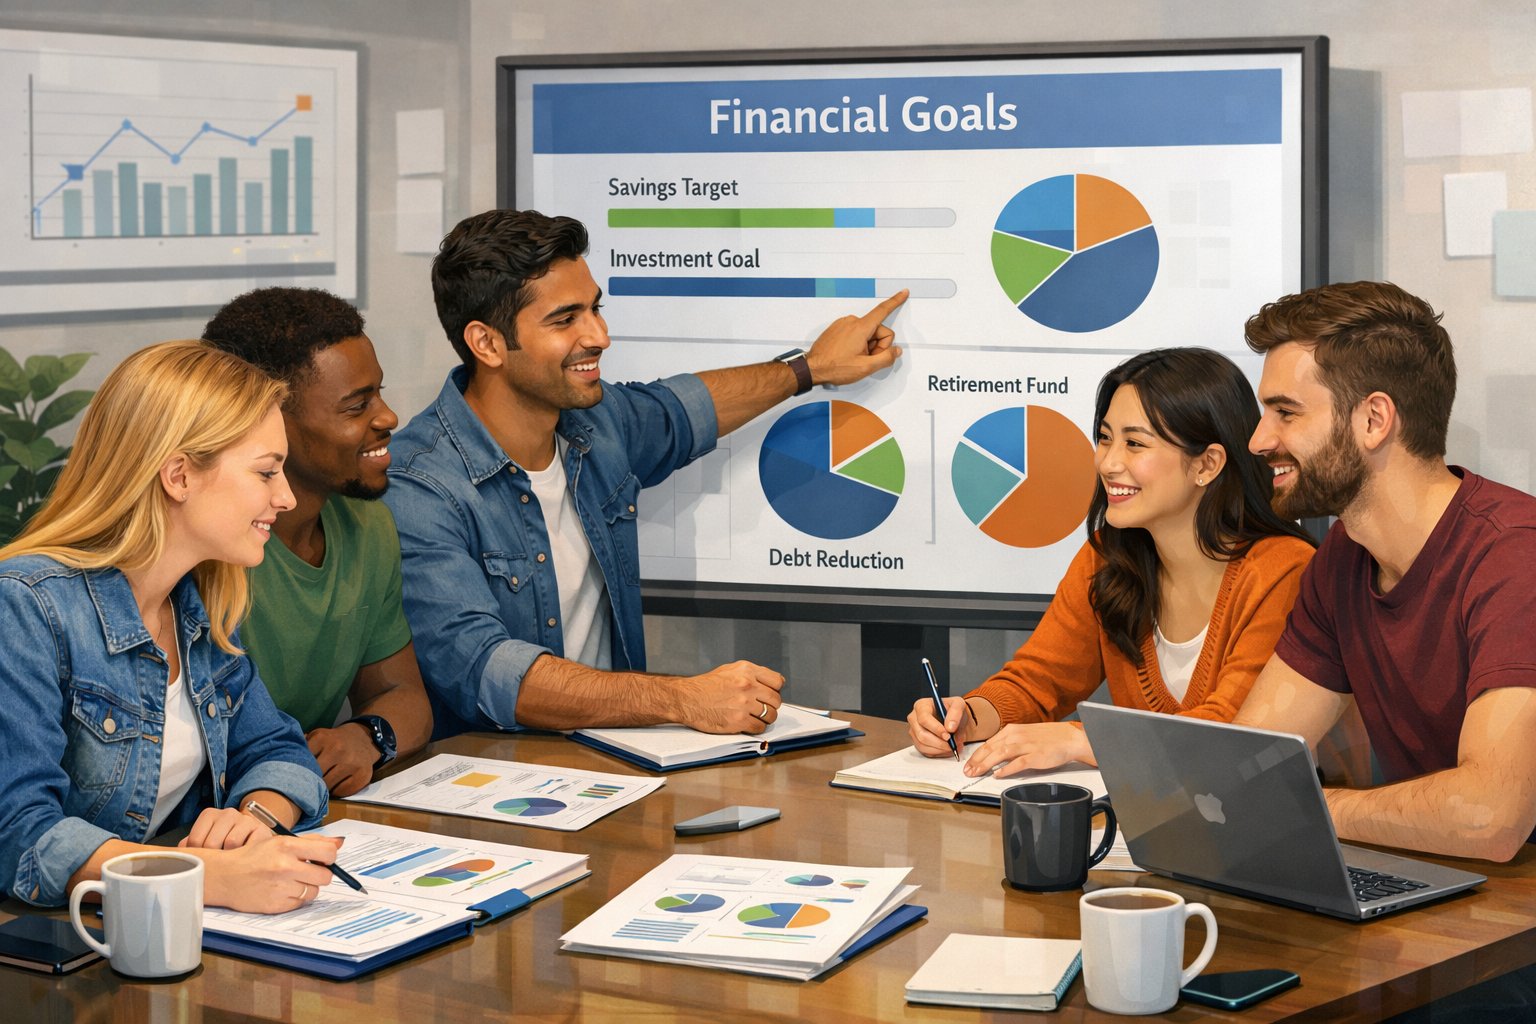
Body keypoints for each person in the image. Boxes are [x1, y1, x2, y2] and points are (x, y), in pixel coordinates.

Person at [384, 208, 905, 738]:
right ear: (487, 343)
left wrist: (811, 368)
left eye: (595, 309)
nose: (599, 336)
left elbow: (685, 410)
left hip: (611, 760)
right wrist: (682, 699)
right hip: (493, 772)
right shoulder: (418, 487)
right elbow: (486, 669)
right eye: (565, 320)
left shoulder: (595, 422)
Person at [0, 341, 338, 913]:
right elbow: (19, 834)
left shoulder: (196, 601)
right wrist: (208, 875)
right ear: (179, 475)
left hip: (153, 926)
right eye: (266, 472)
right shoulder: (25, 606)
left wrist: (254, 817)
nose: (285, 497)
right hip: (52, 948)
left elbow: (278, 748)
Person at [1232, 281, 1536, 862]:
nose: (1258, 440)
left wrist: (1306, 809)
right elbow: (1254, 758)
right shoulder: (1342, 558)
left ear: (1374, 419)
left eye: (1285, 413)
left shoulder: (1516, 556)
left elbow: (1491, 817)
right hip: (1443, 881)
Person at [908, 347, 1315, 777]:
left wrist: (1083, 741)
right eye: (1105, 438)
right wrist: (967, 716)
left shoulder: (1284, 570)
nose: (1108, 462)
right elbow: (1039, 680)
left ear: (1207, 464)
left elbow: (1233, 733)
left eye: (1134, 443)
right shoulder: (1107, 557)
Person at [203, 288, 433, 796]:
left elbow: (405, 696)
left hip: (297, 805)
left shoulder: (368, 525)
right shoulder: (210, 548)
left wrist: (366, 738)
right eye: (357, 406)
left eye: (378, 394)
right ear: (272, 422)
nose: (388, 417)